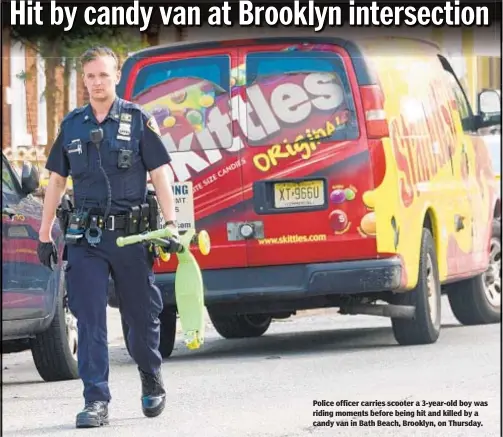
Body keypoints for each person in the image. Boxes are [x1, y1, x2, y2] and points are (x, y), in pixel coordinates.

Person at [36, 46, 178, 428]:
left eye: (103, 75)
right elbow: (55, 180)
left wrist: (171, 223)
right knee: (89, 319)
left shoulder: (137, 119)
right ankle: (95, 399)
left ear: (116, 76)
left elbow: (161, 173)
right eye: (90, 76)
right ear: (83, 80)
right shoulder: (72, 125)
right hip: (86, 238)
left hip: (131, 237)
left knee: (141, 315)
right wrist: (45, 228)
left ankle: (150, 374)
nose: (97, 82)